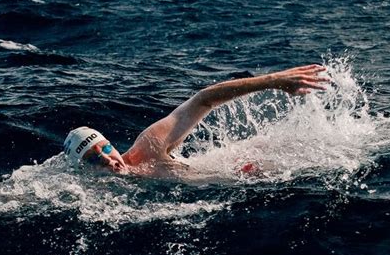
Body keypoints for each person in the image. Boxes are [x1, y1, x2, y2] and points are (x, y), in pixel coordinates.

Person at [63, 64, 329, 176]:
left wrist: (275, 81)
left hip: (250, 165)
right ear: (82, 169)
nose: (109, 160)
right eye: (94, 159)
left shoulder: (149, 147)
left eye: (106, 148)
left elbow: (202, 100)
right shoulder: (97, 192)